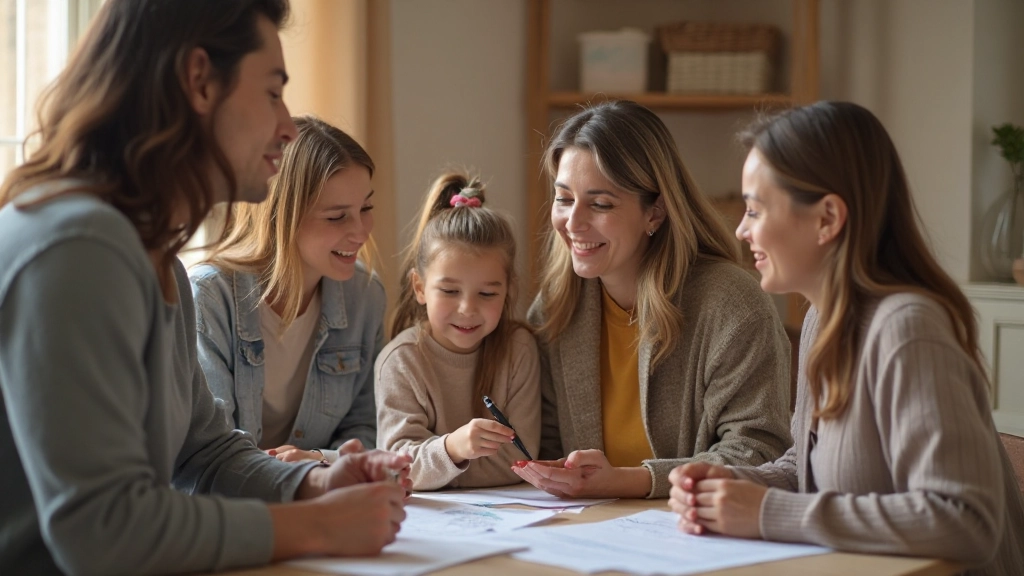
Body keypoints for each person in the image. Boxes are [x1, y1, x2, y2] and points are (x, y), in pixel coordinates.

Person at [0, 2, 409, 574]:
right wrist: (318, 526)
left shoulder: (154, 257)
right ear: (199, 81)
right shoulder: (80, 246)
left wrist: (313, 484)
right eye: (272, 92)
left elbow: (205, 452)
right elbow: (103, 529)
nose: (288, 127)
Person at [668, 101, 1024, 574]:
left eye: (754, 210)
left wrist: (766, 512)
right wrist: (733, 484)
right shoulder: (823, 318)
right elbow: (808, 469)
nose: (741, 229)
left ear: (828, 218)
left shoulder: (908, 329)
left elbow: (965, 521)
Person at [513, 100, 792, 500]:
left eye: (600, 204)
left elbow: (759, 451)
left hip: (695, 526)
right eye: (564, 198)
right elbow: (548, 442)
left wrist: (632, 481)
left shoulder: (733, 306)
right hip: (588, 525)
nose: (573, 222)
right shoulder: (555, 308)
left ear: (655, 212)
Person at [190, 115, 383, 466]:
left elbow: (366, 428)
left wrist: (316, 462)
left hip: (322, 491)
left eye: (366, 208)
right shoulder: (209, 299)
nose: (361, 231)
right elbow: (209, 450)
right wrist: (300, 476)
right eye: (337, 216)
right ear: (282, 217)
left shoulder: (366, 296)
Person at [376, 172, 541, 491]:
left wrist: (435, 468)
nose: (467, 308)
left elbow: (521, 461)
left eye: (487, 293)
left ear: (508, 290)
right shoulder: (400, 361)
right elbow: (397, 468)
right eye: (450, 291)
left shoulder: (519, 350)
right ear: (419, 287)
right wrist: (453, 449)